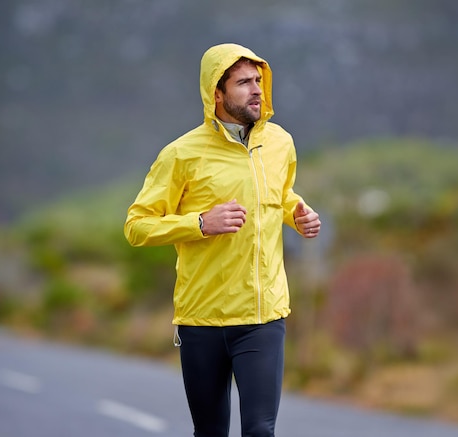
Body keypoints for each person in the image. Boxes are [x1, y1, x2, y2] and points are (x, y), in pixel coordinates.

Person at [124, 43, 321, 437]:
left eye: (259, 81)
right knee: (210, 431)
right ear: (217, 92)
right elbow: (137, 226)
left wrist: (298, 213)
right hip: (203, 318)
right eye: (244, 82)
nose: (257, 90)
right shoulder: (181, 154)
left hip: (262, 316)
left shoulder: (280, 142)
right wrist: (200, 223)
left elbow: (280, 194)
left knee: (260, 431)